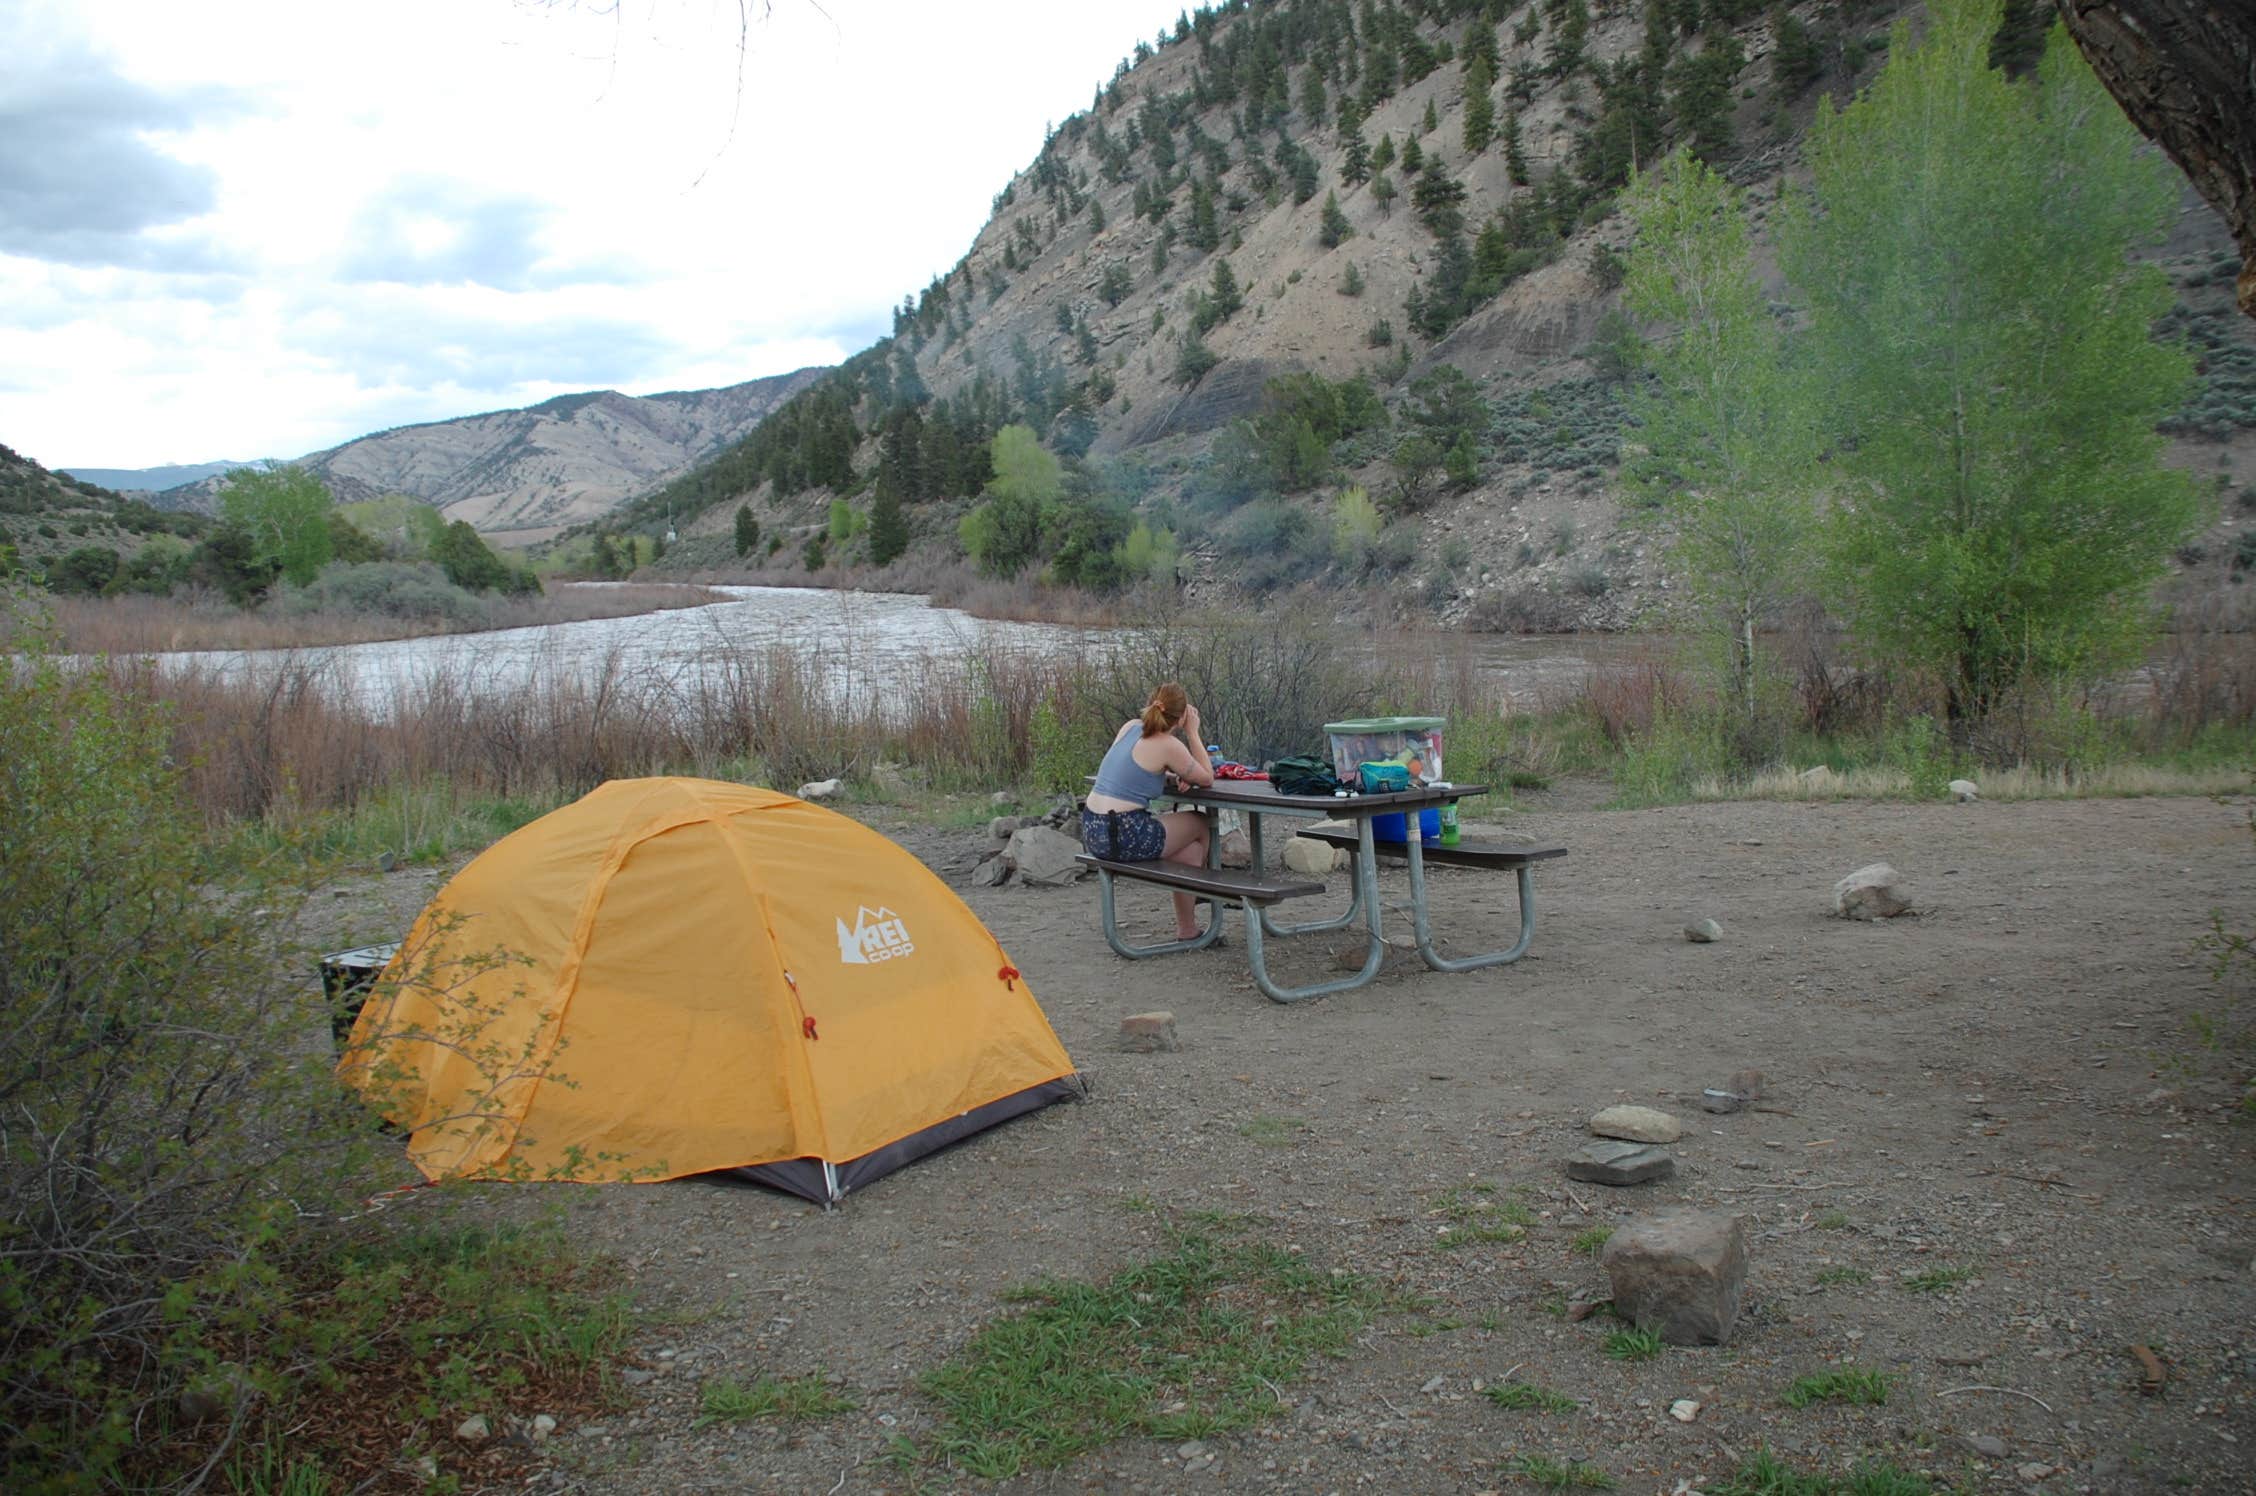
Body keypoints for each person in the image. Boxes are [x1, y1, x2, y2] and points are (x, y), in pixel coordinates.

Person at [1081, 682, 1217, 941]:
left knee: (1191, 852)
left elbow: (1134, 769)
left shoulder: (1130, 727)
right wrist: (1193, 733)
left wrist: (1171, 774)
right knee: (1200, 822)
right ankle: (1203, 889)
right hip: (1124, 833)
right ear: (1181, 717)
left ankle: (1188, 929)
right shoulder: (1168, 744)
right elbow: (1208, 778)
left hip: (1092, 828)